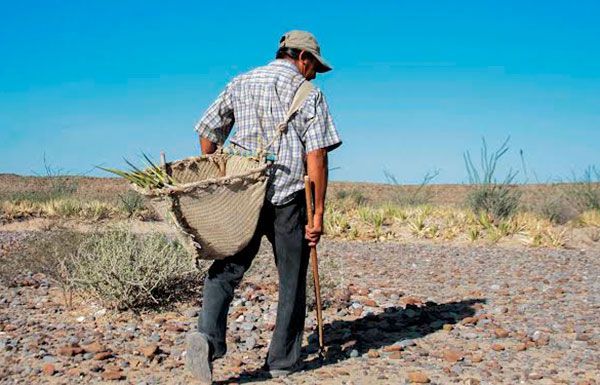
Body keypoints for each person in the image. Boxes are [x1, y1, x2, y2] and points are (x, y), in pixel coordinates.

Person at [186, 30, 342, 384]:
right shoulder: (309, 94)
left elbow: (208, 139)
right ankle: (282, 361)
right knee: (291, 279)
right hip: (288, 197)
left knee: (226, 269)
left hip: (243, 196)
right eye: (314, 65)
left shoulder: (240, 82)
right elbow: (316, 158)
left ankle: (206, 340)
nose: (315, 72)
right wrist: (317, 215)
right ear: (302, 58)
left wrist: (229, 168)